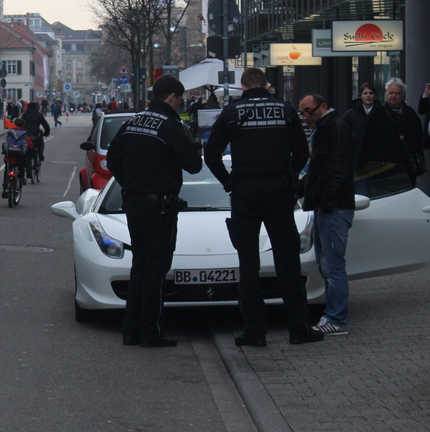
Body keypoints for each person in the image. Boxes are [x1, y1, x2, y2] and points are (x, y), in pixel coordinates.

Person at [204, 67, 323, 347]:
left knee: (248, 263)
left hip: (245, 191)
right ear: (266, 86)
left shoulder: (232, 113)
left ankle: (254, 332)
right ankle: (298, 328)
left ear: (243, 87)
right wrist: (291, 178)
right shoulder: (285, 109)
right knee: (287, 260)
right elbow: (303, 151)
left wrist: (229, 182)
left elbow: (211, 154)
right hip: (279, 189)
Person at [106, 74, 202, 348]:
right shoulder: (171, 126)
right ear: (172, 97)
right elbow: (194, 165)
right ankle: (150, 332)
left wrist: (132, 184)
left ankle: (131, 330)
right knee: (156, 270)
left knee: (140, 267)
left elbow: (113, 159)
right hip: (160, 206)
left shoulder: (133, 122)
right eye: (180, 100)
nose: (180, 105)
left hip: (134, 204)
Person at [298, 93, 355, 336]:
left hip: (333, 207)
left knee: (332, 265)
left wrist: (327, 202)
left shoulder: (336, 128)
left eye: (308, 110)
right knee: (327, 264)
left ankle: (337, 318)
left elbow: (339, 170)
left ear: (322, 107)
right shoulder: (324, 129)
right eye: (302, 112)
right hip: (326, 206)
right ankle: (333, 315)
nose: (305, 116)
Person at [360, 78, 424, 188]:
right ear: (386, 94)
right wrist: (362, 164)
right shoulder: (377, 114)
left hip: (405, 166)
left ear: (402, 95)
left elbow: (418, 140)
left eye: (397, 93)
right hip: (383, 165)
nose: (393, 96)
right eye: (391, 93)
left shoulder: (410, 114)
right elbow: (367, 140)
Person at [342, 83, 380, 150]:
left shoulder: (381, 113)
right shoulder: (351, 113)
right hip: (355, 152)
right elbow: (343, 131)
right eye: (365, 93)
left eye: (371, 93)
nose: (368, 96)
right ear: (360, 96)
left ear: (375, 95)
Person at [1, 118, 32, 198]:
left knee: (7, 170)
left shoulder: (10, 133)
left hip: (10, 157)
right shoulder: (24, 134)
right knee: (21, 166)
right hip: (20, 157)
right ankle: (21, 178)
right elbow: (30, 144)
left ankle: (5, 188)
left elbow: (4, 143)